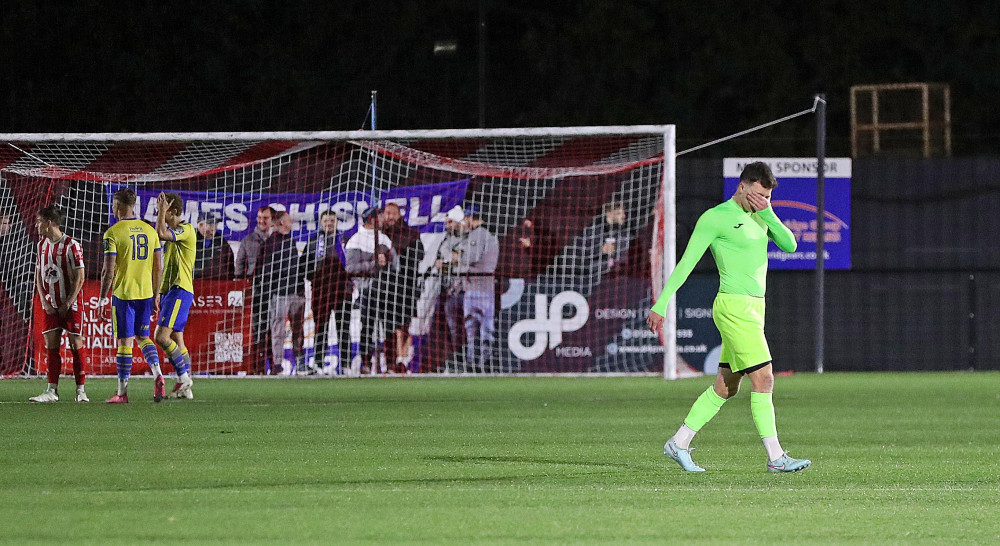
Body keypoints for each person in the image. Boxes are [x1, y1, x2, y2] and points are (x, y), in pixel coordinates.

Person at [647, 161, 810, 473]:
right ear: (743, 186)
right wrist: (661, 303)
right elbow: (685, 264)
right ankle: (776, 457)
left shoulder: (762, 214)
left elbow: (790, 245)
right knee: (764, 378)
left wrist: (767, 212)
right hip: (734, 308)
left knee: (726, 386)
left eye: (768, 197)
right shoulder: (716, 218)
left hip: (755, 308)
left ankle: (678, 443)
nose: (764, 200)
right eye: (760, 195)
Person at [99, 188, 165, 403]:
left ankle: (122, 393)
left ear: (117, 206)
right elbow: (159, 267)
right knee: (144, 337)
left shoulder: (113, 233)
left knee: (125, 343)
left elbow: (108, 271)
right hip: (146, 294)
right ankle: (158, 374)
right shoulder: (150, 230)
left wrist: (102, 298)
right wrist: (156, 294)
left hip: (124, 293)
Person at [29, 205, 89, 403]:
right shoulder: (41, 245)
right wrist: (44, 300)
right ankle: (51, 391)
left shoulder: (72, 245)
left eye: (39, 221)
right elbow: (38, 275)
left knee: (75, 344)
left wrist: (69, 301)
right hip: (50, 305)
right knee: (51, 346)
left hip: (70, 305)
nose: (36, 225)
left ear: (48, 222)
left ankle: (81, 391)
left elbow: (80, 277)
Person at [152, 192, 196, 399]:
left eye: (166, 211)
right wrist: (160, 293)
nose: (161, 214)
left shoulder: (186, 230)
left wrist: (161, 212)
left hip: (181, 289)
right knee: (178, 339)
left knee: (161, 337)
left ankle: (184, 378)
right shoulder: (175, 233)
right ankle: (185, 388)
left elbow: (160, 233)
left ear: (175, 212)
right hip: (171, 291)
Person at [344, 207, 396, 374]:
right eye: (380, 216)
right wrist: (372, 264)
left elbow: (395, 266)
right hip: (366, 291)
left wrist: (387, 260)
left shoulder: (384, 239)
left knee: (389, 326)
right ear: (373, 219)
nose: (383, 219)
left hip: (385, 289)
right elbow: (351, 268)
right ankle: (366, 363)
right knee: (367, 327)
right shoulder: (355, 240)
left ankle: (391, 364)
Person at [301, 210, 351, 374]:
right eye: (326, 221)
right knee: (320, 328)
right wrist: (314, 277)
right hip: (321, 291)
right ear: (321, 223)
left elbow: (350, 264)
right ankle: (319, 363)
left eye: (332, 220)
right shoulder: (315, 241)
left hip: (341, 291)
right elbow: (304, 265)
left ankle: (345, 365)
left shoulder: (344, 240)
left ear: (336, 222)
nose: (329, 223)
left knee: (343, 328)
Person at [259, 210, 306, 374]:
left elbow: (295, 268)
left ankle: (300, 362)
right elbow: (267, 271)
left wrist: (300, 288)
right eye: (288, 219)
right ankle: (277, 365)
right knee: (278, 330)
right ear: (281, 223)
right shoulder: (272, 242)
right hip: (279, 293)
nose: (291, 221)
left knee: (298, 329)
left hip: (295, 293)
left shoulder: (291, 240)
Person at [379, 203, 424, 372]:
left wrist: (398, 255)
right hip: (386, 288)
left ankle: (403, 360)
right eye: (387, 213)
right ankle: (390, 362)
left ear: (400, 215)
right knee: (388, 326)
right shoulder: (380, 234)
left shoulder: (411, 234)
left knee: (404, 324)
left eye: (393, 213)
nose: (389, 217)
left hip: (406, 286)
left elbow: (419, 255)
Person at [455, 206, 499, 372]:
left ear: (469, 218)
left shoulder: (479, 234)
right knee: (481, 327)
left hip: (479, 287)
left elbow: (472, 258)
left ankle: (477, 364)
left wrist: (457, 257)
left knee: (476, 327)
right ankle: (478, 363)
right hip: (483, 286)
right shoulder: (489, 233)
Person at [236, 205, 273, 374]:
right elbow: (239, 268)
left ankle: (274, 367)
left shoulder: (278, 239)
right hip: (256, 293)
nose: (261, 221)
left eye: (265, 218)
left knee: (275, 330)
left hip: (276, 291)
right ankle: (256, 368)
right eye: (259, 217)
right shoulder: (248, 240)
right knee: (257, 330)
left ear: (272, 220)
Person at [434, 206, 467, 370]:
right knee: (452, 330)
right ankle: (457, 364)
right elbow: (441, 260)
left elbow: (465, 259)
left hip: (468, 290)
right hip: (449, 291)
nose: (447, 225)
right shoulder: (445, 240)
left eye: (450, 222)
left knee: (471, 328)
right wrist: (449, 261)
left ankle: (476, 364)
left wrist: (451, 260)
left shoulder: (470, 237)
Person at [193, 212, 235, 280]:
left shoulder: (221, 241)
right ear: (200, 225)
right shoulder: (189, 238)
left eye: (215, 225)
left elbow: (230, 263)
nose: (213, 229)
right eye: (210, 225)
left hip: (217, 284)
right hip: (194, 282)